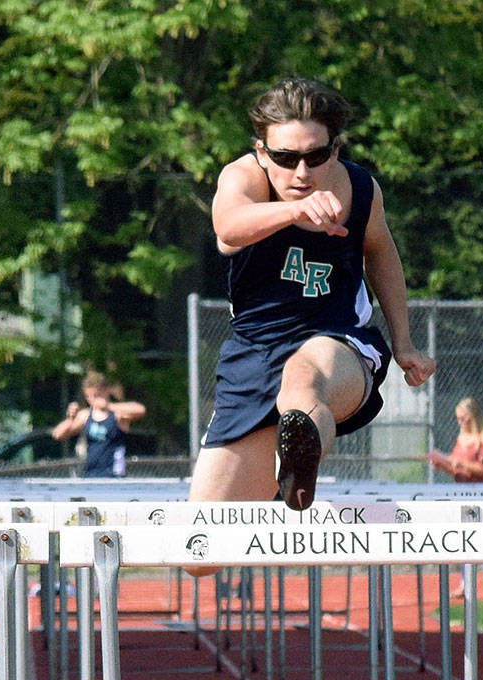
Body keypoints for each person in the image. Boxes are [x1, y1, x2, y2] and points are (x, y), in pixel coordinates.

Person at [188, 77, 436, 536]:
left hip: (339, 342)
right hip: (256, 353)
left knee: (303, 379)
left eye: (315, 156)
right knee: (204, 548)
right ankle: (284, 454)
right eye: (285, 158)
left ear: (335, 149)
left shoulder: (359, 190)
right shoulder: (242, 176)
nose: (301, 173)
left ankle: (299, 463)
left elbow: (380, 251)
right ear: (262, 152)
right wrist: (293, 213)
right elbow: (228, 226)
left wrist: (404, 343)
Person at [426, 397, 483, 598]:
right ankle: (465, 582)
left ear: (474, 417)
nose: (461, 422)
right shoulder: (462, 438)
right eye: (458, 419)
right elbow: (455, 467)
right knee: (465, 539)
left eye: (464, 418)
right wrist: (442, 464)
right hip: (463, 496)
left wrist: (460, 464)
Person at [51, 372, 146, 478]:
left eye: (95, 395)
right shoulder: (86, 415)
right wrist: (70, 419)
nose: (92, 399)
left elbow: (140, 410)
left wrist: (108, 406)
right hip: (92, 473)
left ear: (106, 391)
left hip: (114, 475)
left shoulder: (117, 415)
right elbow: (57, 434)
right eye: (88, 396)